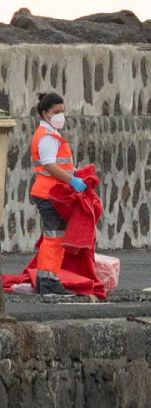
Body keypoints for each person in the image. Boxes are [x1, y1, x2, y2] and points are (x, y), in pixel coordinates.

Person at [25, 92, 83, 296]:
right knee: (55, 237)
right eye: (56, 112)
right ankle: (49, 280)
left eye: (62, 111)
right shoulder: (47, 137)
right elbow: (49, 165)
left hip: (49, 191)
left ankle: (44, 280)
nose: (61, 115)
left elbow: (57, 164)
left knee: (52, 236)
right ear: (44, 113)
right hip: (50, 192)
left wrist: (73, 173)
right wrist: (72, 180)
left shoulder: (49, 134)